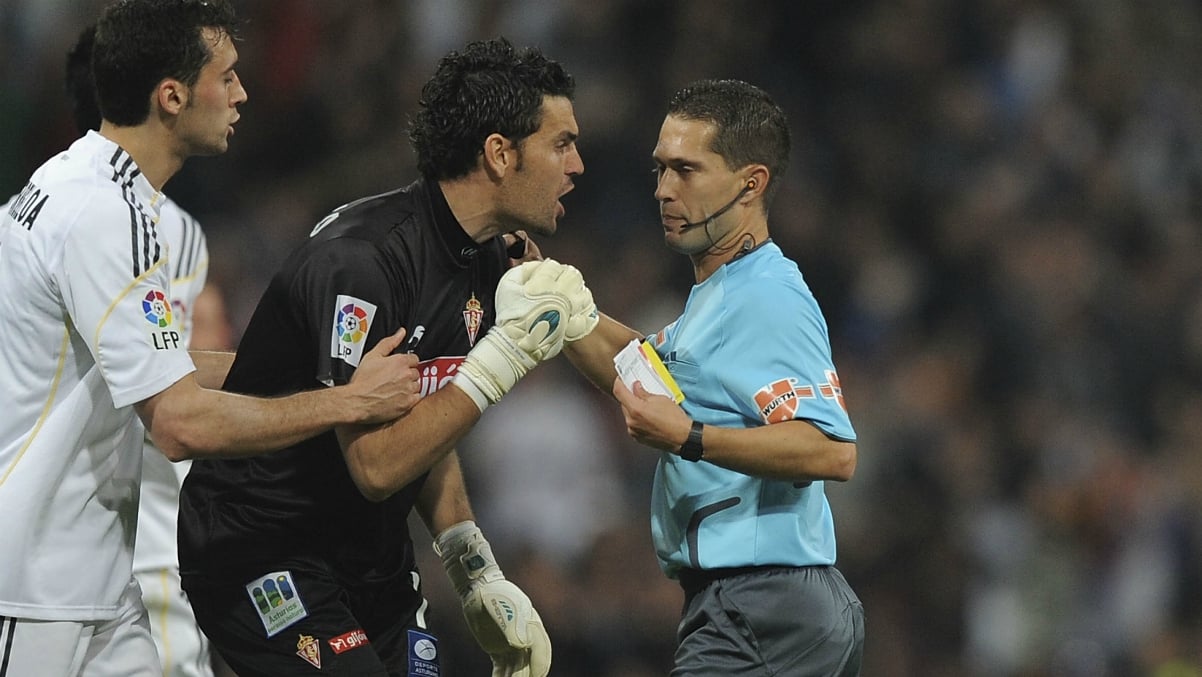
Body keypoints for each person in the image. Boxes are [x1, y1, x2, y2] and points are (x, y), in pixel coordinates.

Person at [0, 2, 421, 675]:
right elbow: (177, 421)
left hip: (95, 583)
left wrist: (314, 376)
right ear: (171, 96)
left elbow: (152, 363)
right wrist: (348, 403)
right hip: (35, 587)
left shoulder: (85, 187)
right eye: (225, 76)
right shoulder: (105, 217)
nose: (241, 93)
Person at [177, 37, 592, 677]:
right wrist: (502, 358)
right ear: (500, 153)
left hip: (371, 560)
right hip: (264, 547)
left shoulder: (485, 256)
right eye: (561, 144)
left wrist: (471, 563)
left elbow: (422, 416)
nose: (578, 165)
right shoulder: (362, 263)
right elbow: (374, 463)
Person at [542, 78, 866, 675]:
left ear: (752, 183)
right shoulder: (718, 297)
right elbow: (639, 370)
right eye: (661, 169)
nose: (664, 190)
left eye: (687, 171)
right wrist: (551, 296)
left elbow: (831, 451)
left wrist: (691, 436)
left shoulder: (768, 296)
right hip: (759, 605)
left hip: (764, 606)